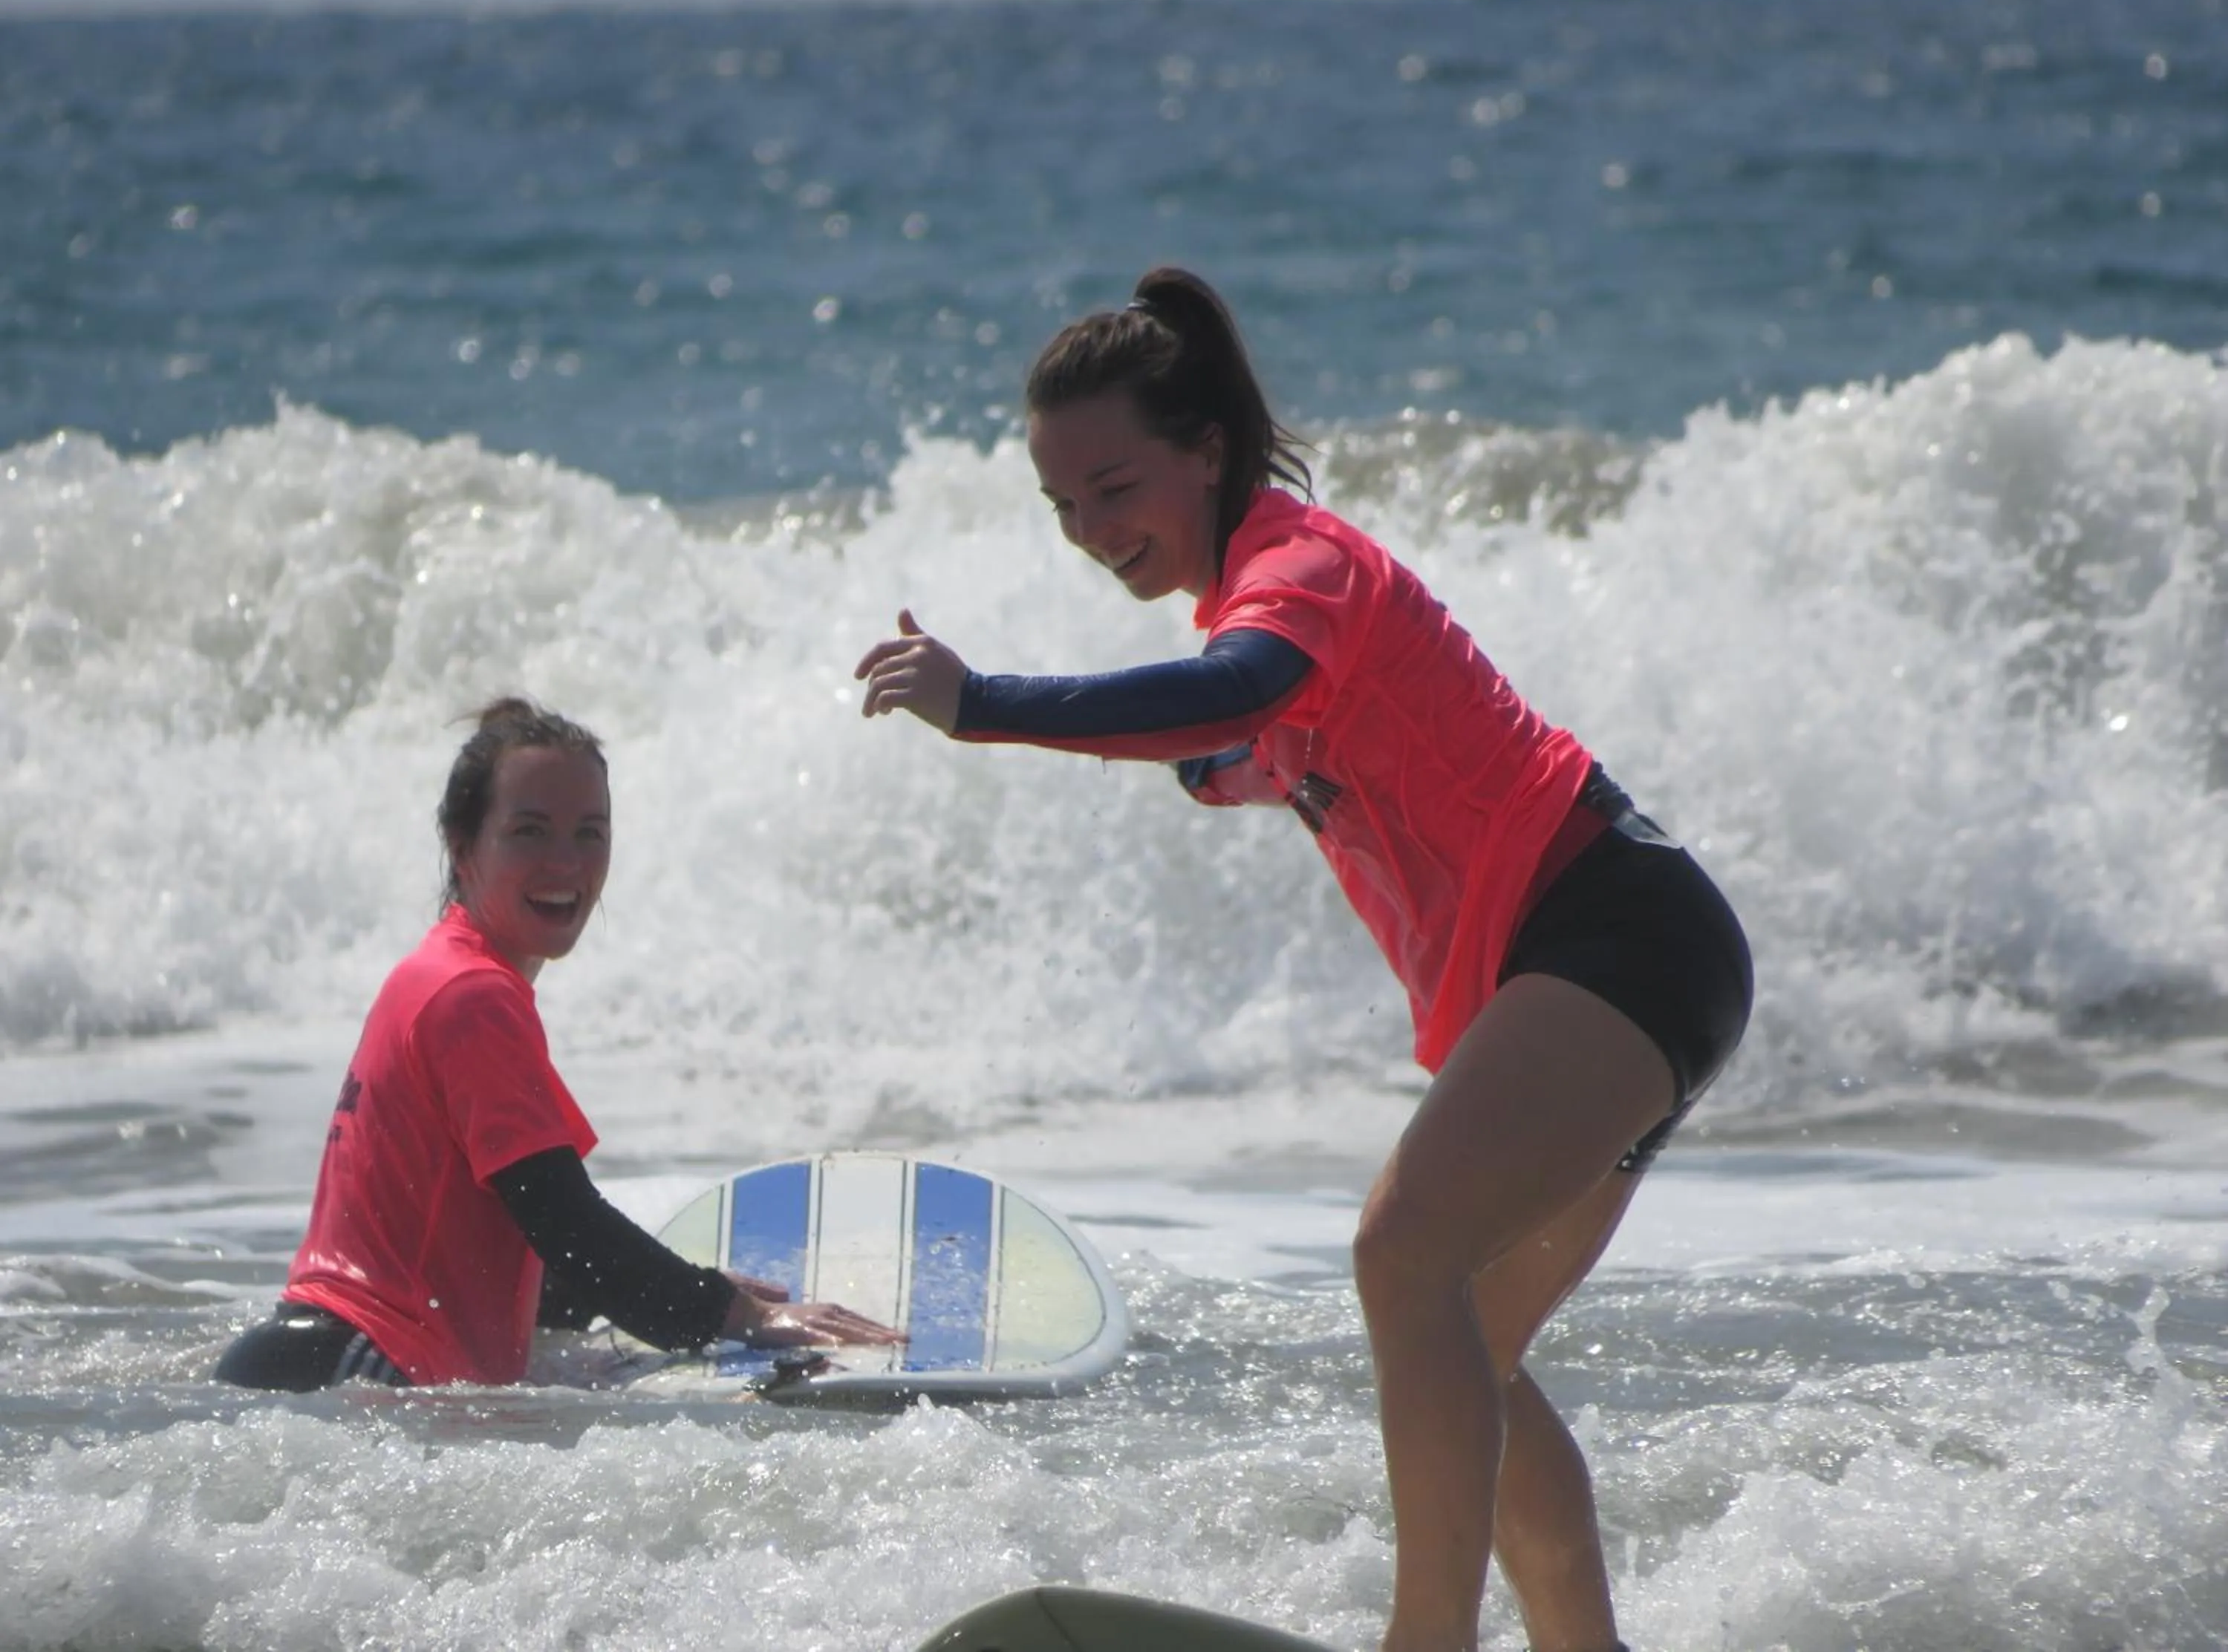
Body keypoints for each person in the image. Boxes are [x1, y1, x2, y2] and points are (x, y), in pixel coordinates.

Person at [853, 268, 1751, 1652]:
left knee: (1402, 1253)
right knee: (1467, 1347)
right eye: (1064, 506)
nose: (1093, 530)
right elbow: (1248, 727)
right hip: (1629, 961)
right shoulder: (1259, 611)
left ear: (1207, 451)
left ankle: (1425, 1641)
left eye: (1115, 487)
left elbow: (1238, 688)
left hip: (1613, 929)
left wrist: (985, 703)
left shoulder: (1300, 566)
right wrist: (1216, 763)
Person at [217, 697, 903, 1392]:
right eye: (530, 832)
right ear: (462, 845)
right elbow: (569, 1227)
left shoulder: (437, 974)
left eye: (590, 833)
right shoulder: (471, 998)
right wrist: (740, 1316)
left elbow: (509, 1249)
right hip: (356, 1366)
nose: (566, 862)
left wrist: (693, 1291)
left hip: (317, 1359)